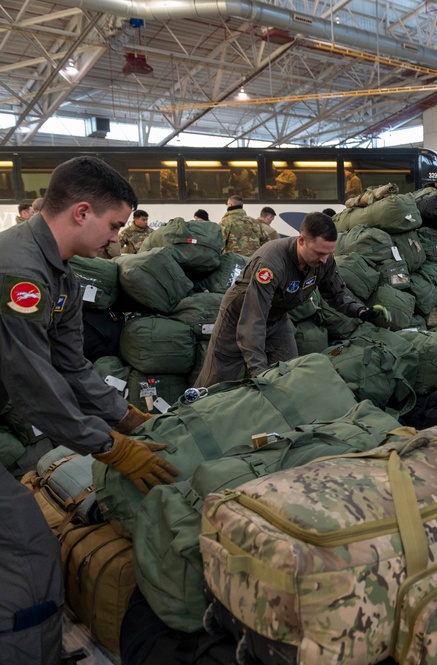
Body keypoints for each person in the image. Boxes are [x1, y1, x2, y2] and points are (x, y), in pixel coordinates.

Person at [0, 156, 178, 664]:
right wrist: (111, 448)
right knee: (26, 544)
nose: (117, 239)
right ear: (82, 212)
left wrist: (128, 418)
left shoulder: (63, 276)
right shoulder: (20, 272)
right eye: (115, 225)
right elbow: (34, 384)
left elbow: (72, 366)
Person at [195, 211, 386, 386]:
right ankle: (190, 415)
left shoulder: (323, 261)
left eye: (329, 253)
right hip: (239, 316)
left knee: (287, 373)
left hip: (277, 317)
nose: (324, 260)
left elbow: (335, 294)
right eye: (319, 253)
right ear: (301, 240)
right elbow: (253, 320)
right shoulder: (271, 264)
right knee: (218, 380)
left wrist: (359, 311)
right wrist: (259, 373)